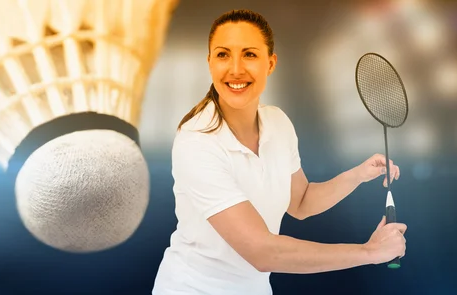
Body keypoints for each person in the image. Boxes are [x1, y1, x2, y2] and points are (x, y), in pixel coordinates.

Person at [152, 9, 407, 295]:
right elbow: (263, 252)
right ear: (210, 62)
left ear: (270, 63)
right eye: (223, 54)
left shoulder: (278, 123)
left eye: (249, 54)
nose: (235, 68)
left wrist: (358, 175)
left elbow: (300, 202)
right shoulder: (196, 142)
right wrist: (369, 252)